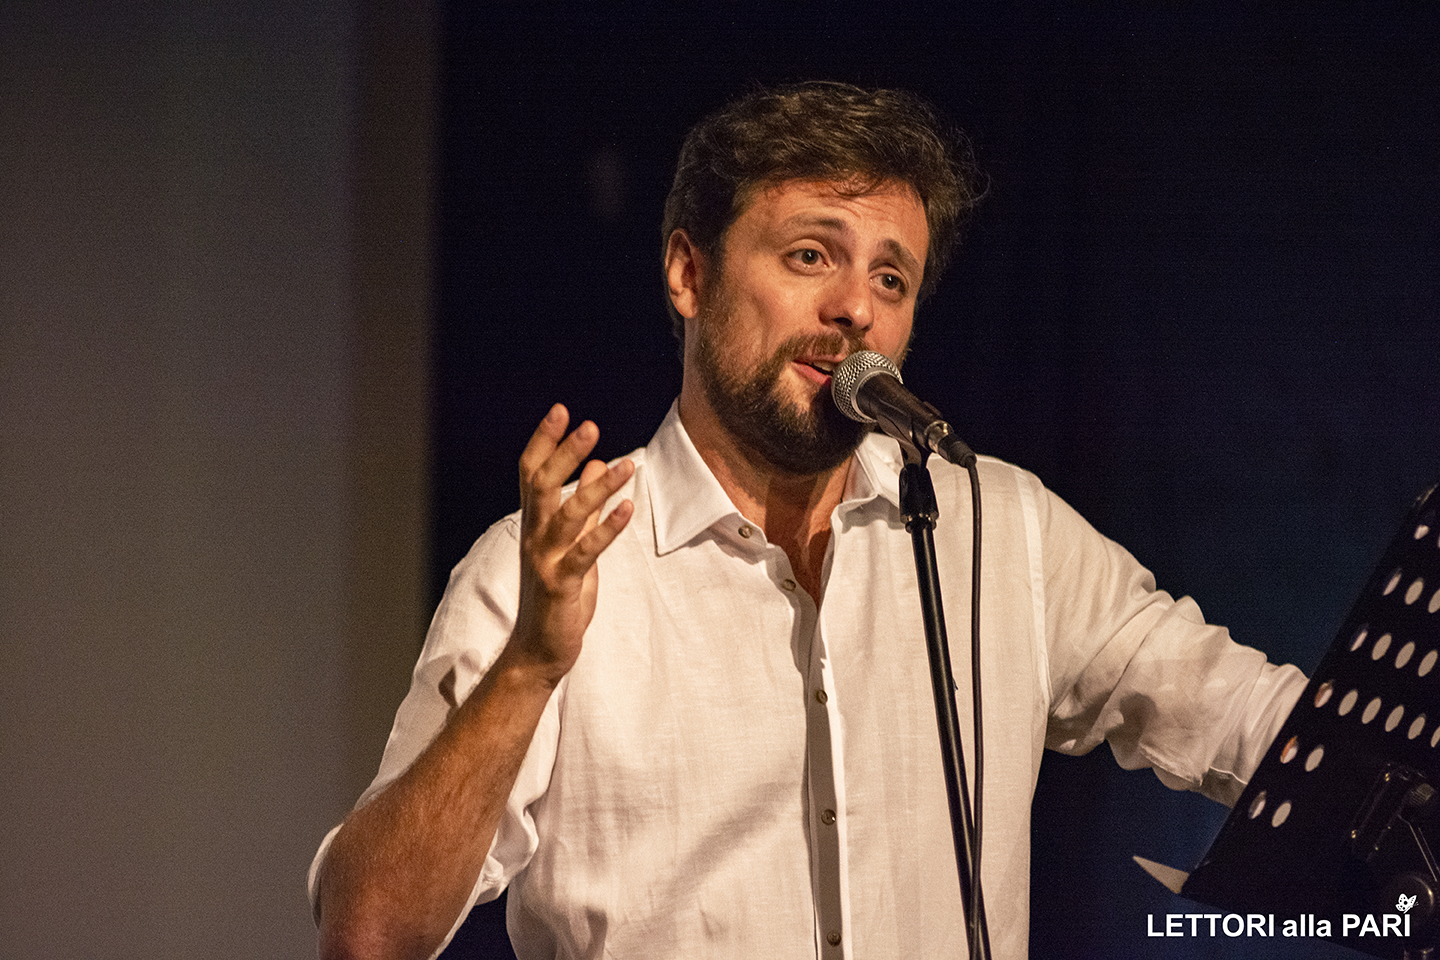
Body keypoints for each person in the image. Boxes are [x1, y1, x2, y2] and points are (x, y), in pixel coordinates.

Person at [309, 82, 1307, 960]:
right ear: (687, 275)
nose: (855, 311)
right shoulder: (553, 567)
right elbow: (370, 933)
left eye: (889, 277)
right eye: (808, 255)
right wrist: (529, 664)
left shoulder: (1002, 529)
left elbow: (1250, 720)